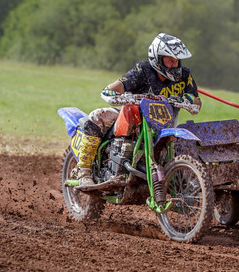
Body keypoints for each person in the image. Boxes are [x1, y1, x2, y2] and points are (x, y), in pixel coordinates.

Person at [77, 33, 202, 186]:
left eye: (176, 61)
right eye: (170, 60)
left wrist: (188, 99)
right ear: (157, 58)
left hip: (165, 126)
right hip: (135, 119)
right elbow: (115, 87)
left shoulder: (184, 75)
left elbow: (196, 103)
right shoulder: (143, 70)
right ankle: (84, 171)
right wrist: (112, 92)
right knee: (98, 116)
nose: (174, 65)